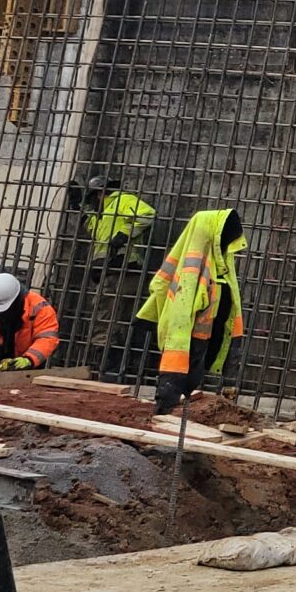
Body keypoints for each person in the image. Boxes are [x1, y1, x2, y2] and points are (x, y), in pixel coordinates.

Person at [137, 207, 248, 416]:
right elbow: (172, 294)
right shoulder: (197, 265)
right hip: (184, 336)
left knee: (190, 376)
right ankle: (166, 408)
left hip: (202, 335)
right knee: (176, 375)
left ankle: (173, 407)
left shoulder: (219, 263)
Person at [78, 176, 157, 262]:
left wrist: (125, 234)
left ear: (100, 194)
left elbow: (147, 215)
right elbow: (89, 225)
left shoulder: (122, 200)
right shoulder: (98, 214)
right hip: (102, 265)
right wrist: (77, 205)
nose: (91, 202)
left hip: (126, 261)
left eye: (91, 199)